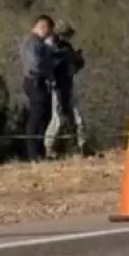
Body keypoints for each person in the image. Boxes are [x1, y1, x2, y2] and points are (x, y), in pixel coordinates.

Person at [44, 21, 88, 157]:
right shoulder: (49, 47)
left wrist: (77, 59)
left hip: (68, 85)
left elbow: (76, 63)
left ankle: (82, 146)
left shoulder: (66, 46)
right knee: (57, 119)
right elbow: (51, 63)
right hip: (57, 87)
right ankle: (49, 147)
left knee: (77, 118)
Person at [18, 14, 56, 161]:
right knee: (37, 115)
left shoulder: (41, 44)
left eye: (48, 28)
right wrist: (47, 70)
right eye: (44, 27)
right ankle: (33, 153)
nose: (46, 31)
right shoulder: (31, 43)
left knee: (44, 115)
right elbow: (35, 64)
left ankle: (39, 152)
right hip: (34, 81)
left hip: (40, 82)